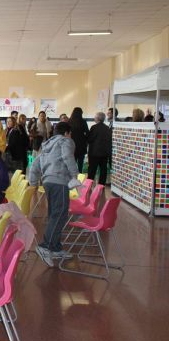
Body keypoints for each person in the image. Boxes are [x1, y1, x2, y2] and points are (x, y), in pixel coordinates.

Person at [28, 122, 79, 267]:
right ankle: (46, 246)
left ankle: (55, 248)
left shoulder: (46, 145)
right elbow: (68, 156)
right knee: (59, 214)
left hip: (48, 182)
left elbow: (35, 164)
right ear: (67, 133)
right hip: (59, 181)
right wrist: (75, 175)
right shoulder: (66, 141)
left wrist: (33, 182)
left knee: (54, 214)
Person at [87, 112, 112, 185]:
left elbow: (90, 139)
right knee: (103, 170)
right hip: (104, 153)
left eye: (95, 117)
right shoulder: (107, 128)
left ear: (97, 118)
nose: (94, 118)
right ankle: (101, 185)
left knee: (92, 170)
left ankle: (89, 184)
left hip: (94, 153)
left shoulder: (94, 127)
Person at [68, 107, 89, 173]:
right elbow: (87, 132)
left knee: (72, 161)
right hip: (81, 144)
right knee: (81, 162)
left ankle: (72, 176)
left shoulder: (69, 121)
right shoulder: (83, 121)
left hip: (71, 143)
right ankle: (80, 176)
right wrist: (85, 139)